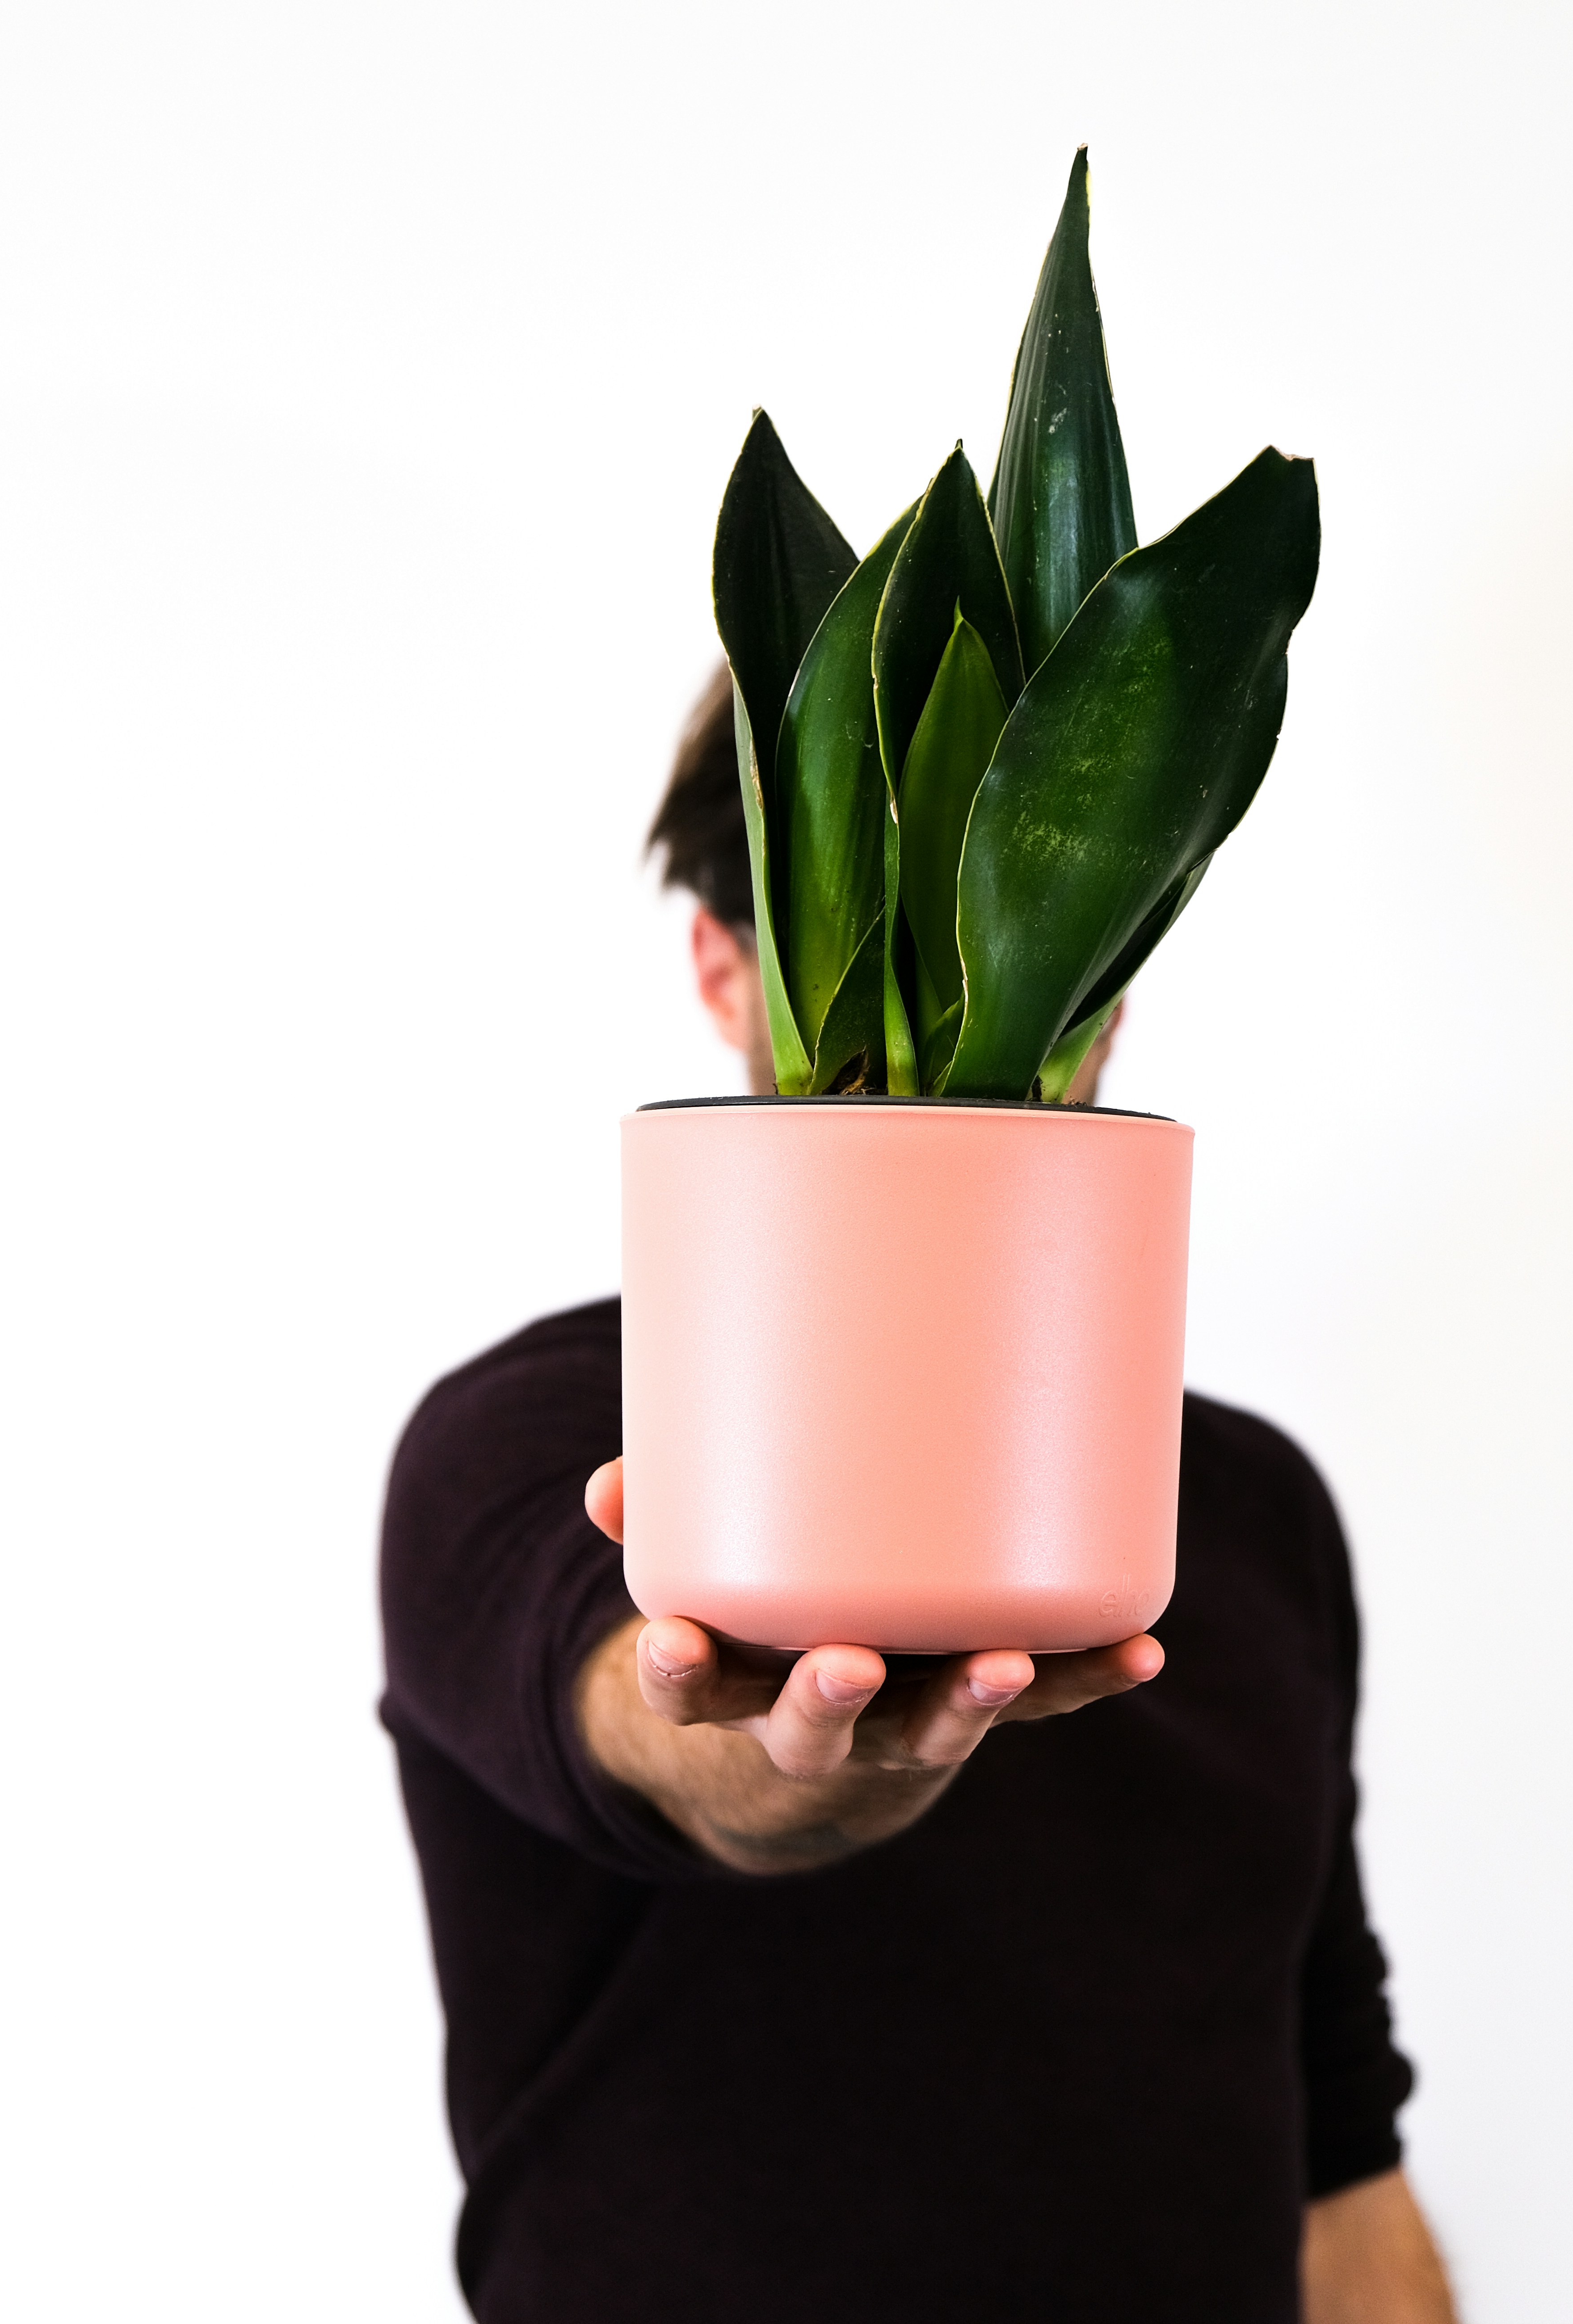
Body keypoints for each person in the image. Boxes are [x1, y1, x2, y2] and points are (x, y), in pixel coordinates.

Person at [381, 667, 1460, 2323]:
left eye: (1048, 928)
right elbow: (651, 1744)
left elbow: (1341, 2134)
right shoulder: (524, 1438)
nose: (962, 1024)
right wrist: (797, 1748)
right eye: (880, 949)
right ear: (725, 971)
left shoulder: (1246, 1508)